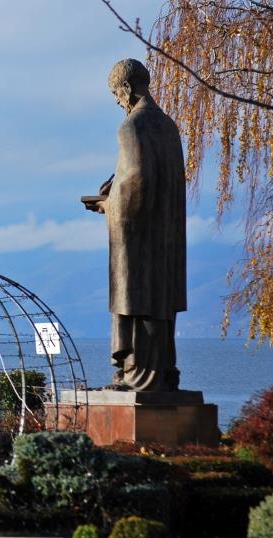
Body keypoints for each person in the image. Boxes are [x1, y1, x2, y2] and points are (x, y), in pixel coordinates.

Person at [94, 59, 186, 392]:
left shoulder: (131, 126)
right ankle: (161, 371)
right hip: (166, 237)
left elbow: (136, 184)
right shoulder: (167, 126)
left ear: (128, 89)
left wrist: (108, 203)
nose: (117, 101)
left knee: (136, 299)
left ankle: (138, 374)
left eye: (116, 94)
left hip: (137, 238)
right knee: (156, 303)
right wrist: (115, 184)